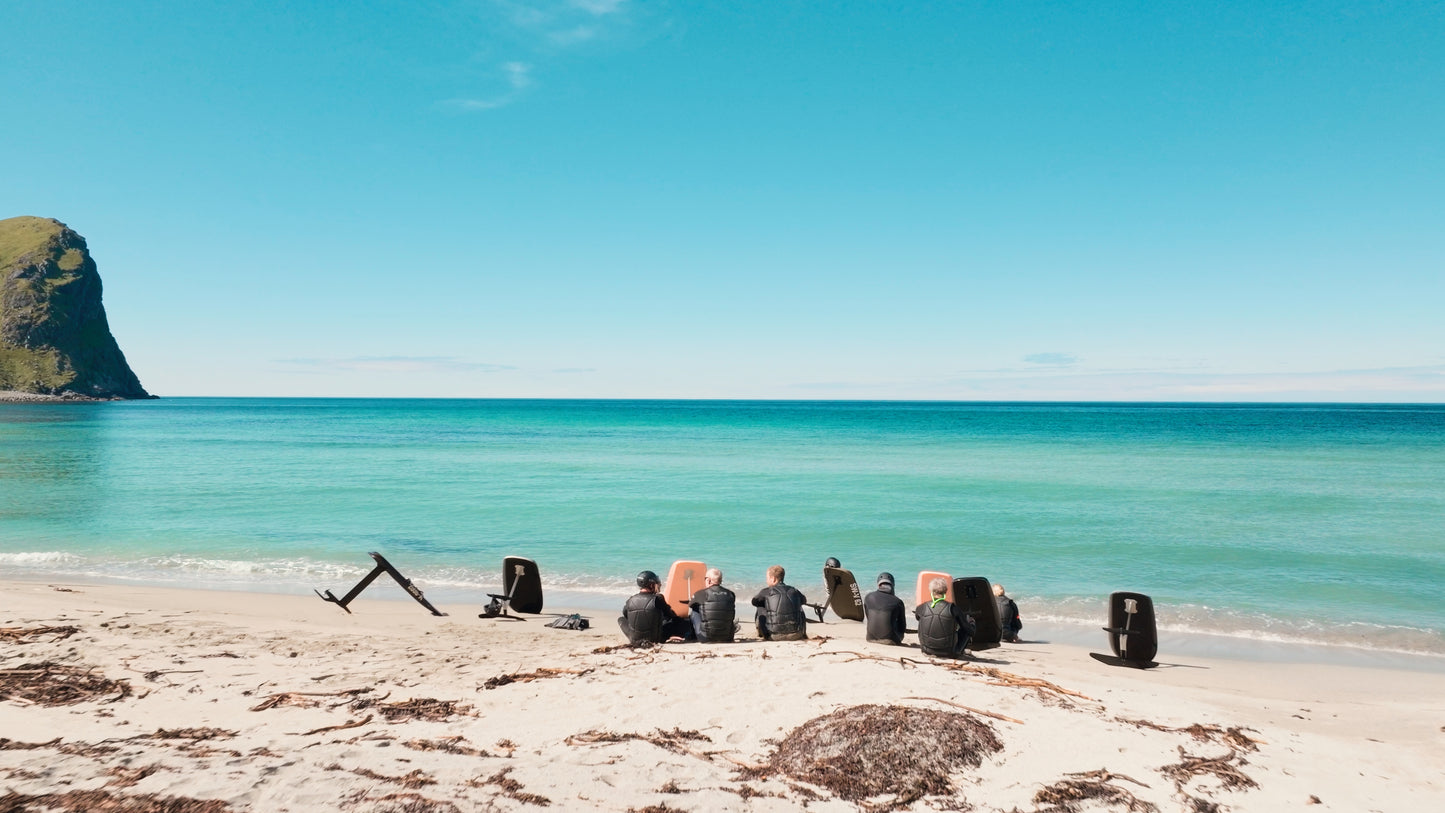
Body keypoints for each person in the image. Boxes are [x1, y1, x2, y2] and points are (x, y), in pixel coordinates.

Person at [618, 570, 693, 644]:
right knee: (681, 621)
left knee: (621, 619)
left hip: (634, 640)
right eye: (656, 584)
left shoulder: (631, 600)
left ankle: (635, 636)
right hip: (655, 639)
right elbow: (671, 615)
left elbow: (626, 615)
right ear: (651, 585)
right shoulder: (658, 598)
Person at [914, 577, 974, 658]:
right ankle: (961, 650)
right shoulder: (953, 608)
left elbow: (918, 618)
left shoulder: (921, 607)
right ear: (946, 591)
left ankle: (928, 645)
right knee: (969, 625)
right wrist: (970, 622)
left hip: (926, 650)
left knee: (923, 621)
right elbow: (969, 631)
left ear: (931, 591)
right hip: (949, 652)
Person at [750, 564, 808, 641]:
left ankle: (761, 633)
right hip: (796, 635)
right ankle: (803, 632)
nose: (766, 581)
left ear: (773, 579)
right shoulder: (794, 590)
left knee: (760, 606)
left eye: (767, 578)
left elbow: (754, 602)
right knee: (799, 606)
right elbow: (804, 600)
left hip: (774, 636)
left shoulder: (766, 591)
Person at [688, 567, 737, 643]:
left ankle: (691, 636)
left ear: (708, 580)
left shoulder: (701, 593)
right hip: (728, 637)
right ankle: (725, 632)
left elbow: (690, 605)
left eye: (705, 579)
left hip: (706, 638)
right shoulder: (730, 594)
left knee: (694, 611)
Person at [863, 571, 906, 645]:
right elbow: (902, 627)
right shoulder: (898, 601)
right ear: (892, 585)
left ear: (878, 584)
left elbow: (868, 617)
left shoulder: (868, 597)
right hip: (890, 640)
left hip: (870, 638)